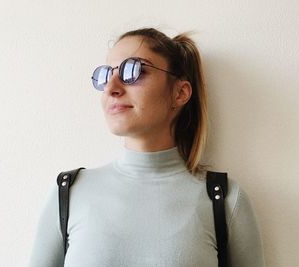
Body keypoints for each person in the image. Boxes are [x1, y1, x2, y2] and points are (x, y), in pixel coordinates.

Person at [29, 27, 265, 267]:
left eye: (133, 71)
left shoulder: (224, 200)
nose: (111, 88)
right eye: (105, 75)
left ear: (180, 93)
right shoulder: (68, 194)